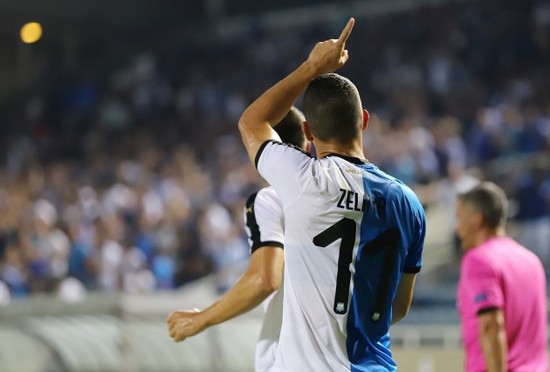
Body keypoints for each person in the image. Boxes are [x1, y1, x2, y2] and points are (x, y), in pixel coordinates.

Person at [237, 18, 426, 371]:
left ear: (307, 130)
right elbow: (396, 308)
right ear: (364, 121)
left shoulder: (301, 178)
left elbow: (252, 122)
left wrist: (312, 68)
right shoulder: (409, 203)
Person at [166, 107, 309, 371]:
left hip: (291, 358)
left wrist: (202, 319)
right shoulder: (340, 197)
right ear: (307, 141)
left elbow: (265, 280)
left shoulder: (269, 200)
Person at [456, 182, 548, 372]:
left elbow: (492, 325)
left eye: (459, 218)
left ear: (477, 220)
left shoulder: (479, 260)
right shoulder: (532, 261)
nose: (457, 228)